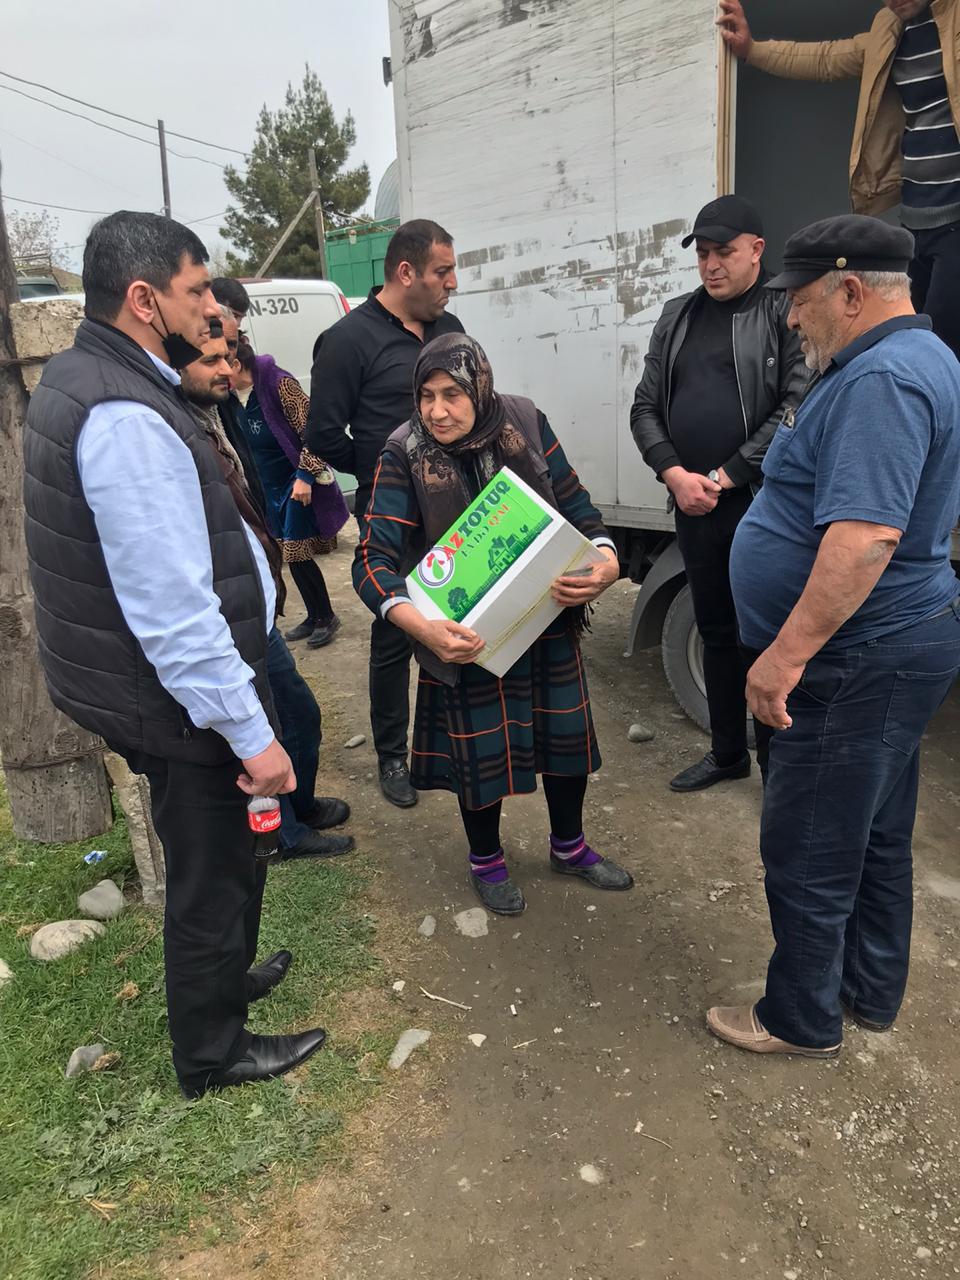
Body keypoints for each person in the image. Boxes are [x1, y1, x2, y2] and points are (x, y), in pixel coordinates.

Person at [22, 211, 327, 1097]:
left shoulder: (98, 377)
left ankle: (225, 981)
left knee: (221, 857)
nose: (212, 310)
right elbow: (173, 611)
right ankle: (212, 1051)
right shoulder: (123, 413)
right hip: (169, 695)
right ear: (145, 300)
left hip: (143, 683)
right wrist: (250, 733)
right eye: (197, 291)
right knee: (212, 869)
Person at [707, 215, 960, 1059]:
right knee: (876, 831)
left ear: (851, 291)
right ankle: (868, 992)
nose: (789, 317)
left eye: (800, 300)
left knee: (809, 843)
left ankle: (800, 1019)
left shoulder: (883, 379)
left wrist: (783, 658)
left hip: (855, 657)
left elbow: (864, 539)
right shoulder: (916, 358)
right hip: (890, 647)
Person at [352, 333, 634, 915]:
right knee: (478, 757)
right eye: (426, 395)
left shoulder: (524, 422)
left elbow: (578, 507)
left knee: (564, 743)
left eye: (452, 394)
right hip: (464, 640)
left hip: (545, 620)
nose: (436, 411)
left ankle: (569, 846)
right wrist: (423, 629)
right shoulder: (404, 452)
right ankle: (486, 860)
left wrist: (605, 562)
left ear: (479, 388)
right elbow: (372, 561)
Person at [630, 195, 809, 792]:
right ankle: (728, 752)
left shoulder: (784, 310)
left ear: (756, 250)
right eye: (703, 253)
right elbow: (644, 407)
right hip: (693, 504)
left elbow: (798, 404)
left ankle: (779, 769)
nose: (710, 265)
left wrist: (728, 473)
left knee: (767, 637)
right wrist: (673, 474)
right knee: (715, 630)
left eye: (723, 252)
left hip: (760, 506)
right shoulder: (677, 316)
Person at [304, 219, 465, 808]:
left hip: (458, 502)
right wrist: (381, 471)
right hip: (391, 512)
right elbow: (322, 433)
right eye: (442, 272)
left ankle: (455, 738)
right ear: (405, 272)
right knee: (396, 627)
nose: (452, 283)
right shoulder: (347, 340)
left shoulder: (450, 330)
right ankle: (394, 754)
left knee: (460, 611)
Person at [179, 322, 355, 861]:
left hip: (255, 605)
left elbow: (314, 434)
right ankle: (285, 833)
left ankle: (300, 804)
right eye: (211, 359)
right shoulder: (182, 422)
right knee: (275, 723)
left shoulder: (247, 397)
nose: (224, 367)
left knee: (299, 714)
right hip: (230, 617)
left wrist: (305, 476)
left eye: (228, 354)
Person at [718, 0, 960, 359]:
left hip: (956, 218)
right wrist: (752, 50)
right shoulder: (889, 27)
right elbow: (827, 58)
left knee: (942, 347)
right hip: (915, 222)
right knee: (911, 342)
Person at [232, 338, 349, 648]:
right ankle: (313, 615)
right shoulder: (230, 398)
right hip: (267, 487)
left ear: (236, 365)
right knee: (289, 553)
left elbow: (316, 433)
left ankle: (326, 616)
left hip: (296, 483)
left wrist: (305, 476)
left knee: (297, 551)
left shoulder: (279, 384)